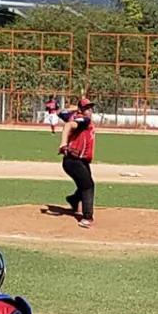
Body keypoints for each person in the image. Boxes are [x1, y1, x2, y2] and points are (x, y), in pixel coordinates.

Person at [58, 97, 96, 229]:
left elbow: (60, 112)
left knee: (84, 183)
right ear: (81, 110)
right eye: (86, 108)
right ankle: (87, 217)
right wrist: (63, 143)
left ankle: (73, 200)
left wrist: (77, 108)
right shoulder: (84, 120)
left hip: (79, 160)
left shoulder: (73, 116)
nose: (89, 111)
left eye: (90, 108)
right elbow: (69, 125)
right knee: (88, 186)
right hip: (74, 160)